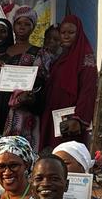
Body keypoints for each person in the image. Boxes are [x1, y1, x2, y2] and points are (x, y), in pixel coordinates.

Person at [41, 14, 98, 151]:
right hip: (53, 116)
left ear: (78, 34)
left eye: (71, 33)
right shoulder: (61, 57)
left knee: (67, 155)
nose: (66, 36)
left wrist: (78, 118)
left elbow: (88, 91)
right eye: (63, 33)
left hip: (71, 121)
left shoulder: (86, 58)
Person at [0, 6, 44, 139]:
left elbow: (40, 83)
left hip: (21, 110)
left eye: (27, 24)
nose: (22, 27)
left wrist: (29, 96)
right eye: (19, 23)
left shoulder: (39, 53)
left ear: (33, 27)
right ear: (13, 25)